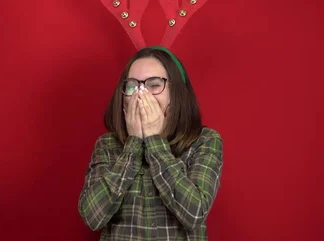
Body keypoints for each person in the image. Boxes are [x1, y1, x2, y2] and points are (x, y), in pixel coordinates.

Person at [77, 46, 223, 240]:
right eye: (132, 85)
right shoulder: (107, 145)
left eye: (154, 85)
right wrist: (134, 143)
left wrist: (155, 141)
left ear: (176, 93)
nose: (140, 94)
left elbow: (194, 213)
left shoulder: (205, 141)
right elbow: (91, 217)